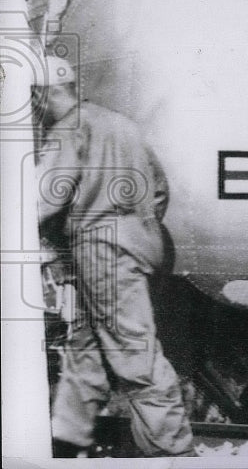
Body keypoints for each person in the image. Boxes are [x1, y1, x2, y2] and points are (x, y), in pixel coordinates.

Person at [33, 54, 193, 458]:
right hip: (139, 244)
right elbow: (159, 188)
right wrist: (136, 227)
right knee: (88, 346)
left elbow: (45, 197)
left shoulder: (68, 128)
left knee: (134, 355)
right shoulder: (121, 124)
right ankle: (66, 440)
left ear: (42, 93)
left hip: (101, 247)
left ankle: (173, 452)